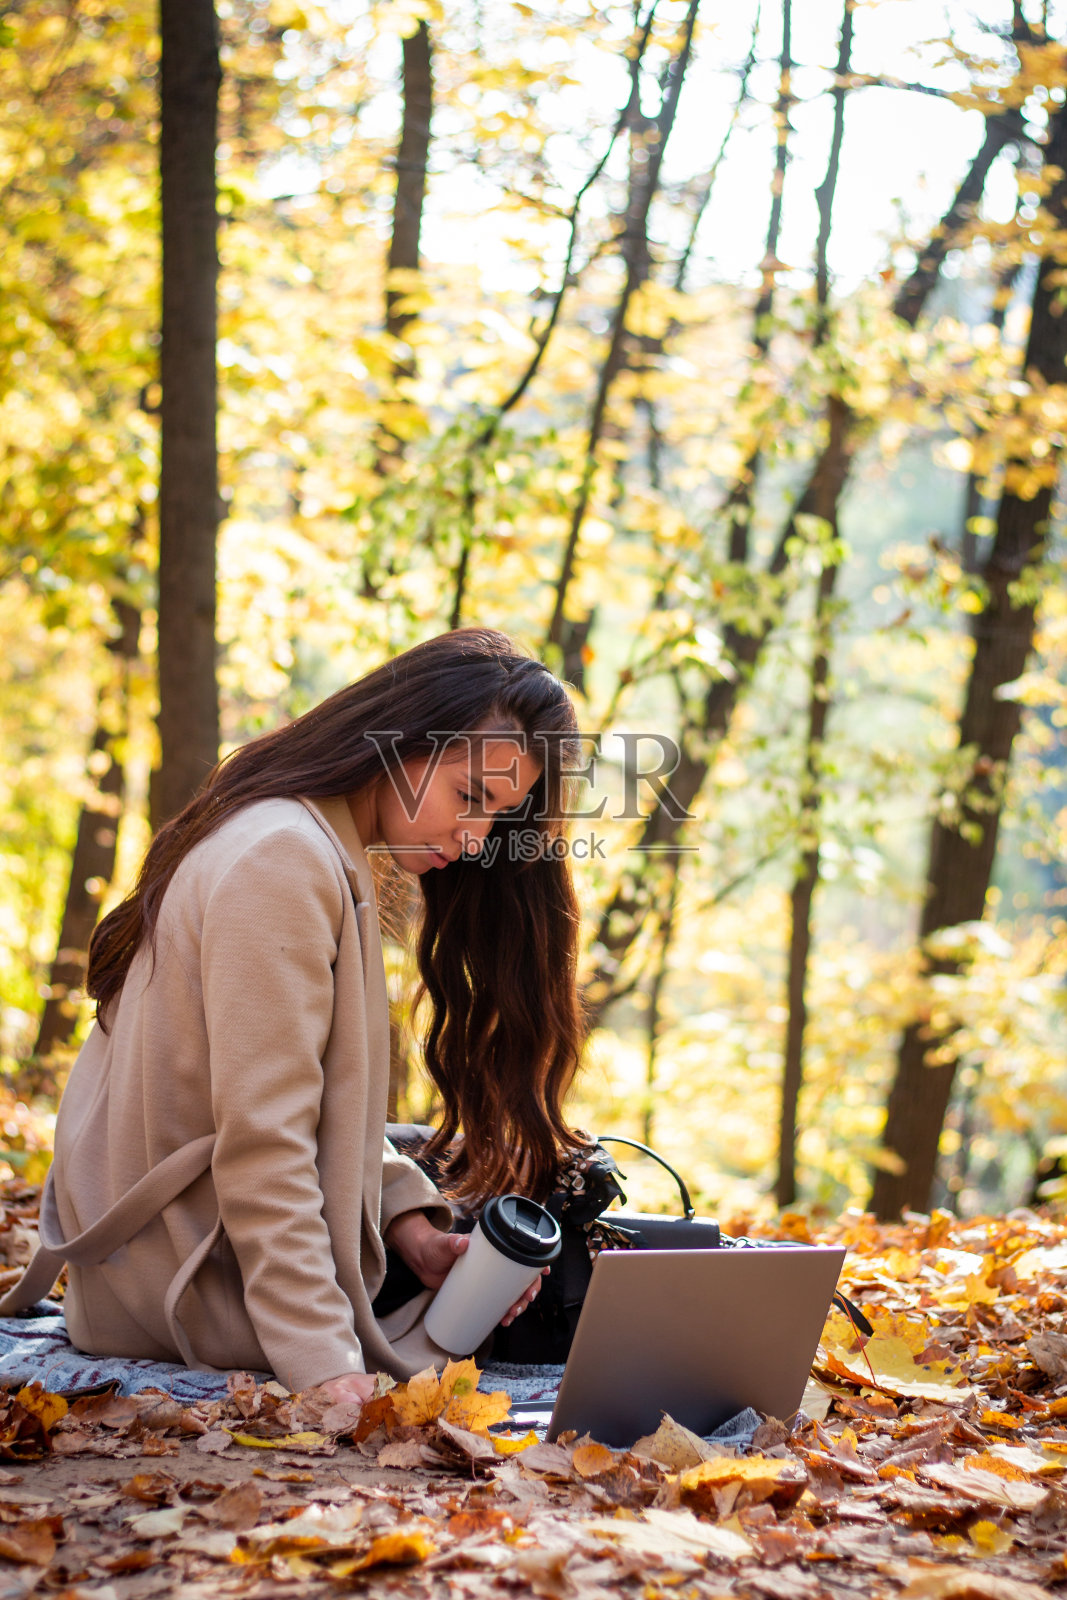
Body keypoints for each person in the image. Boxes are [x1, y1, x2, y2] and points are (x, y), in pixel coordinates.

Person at [1, 628, 586, 1409]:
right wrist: (323, 1365)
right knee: (554, 1325)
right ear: (401, 740)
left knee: (526, 1289)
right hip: (186, 1287)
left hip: (194, 1256)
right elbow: (264, 1142)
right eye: (469, 796)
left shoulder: (308, 841)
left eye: (499, 815)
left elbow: (309, 1108)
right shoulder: (284, 858)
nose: (475, 838)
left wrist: (410, 1228)